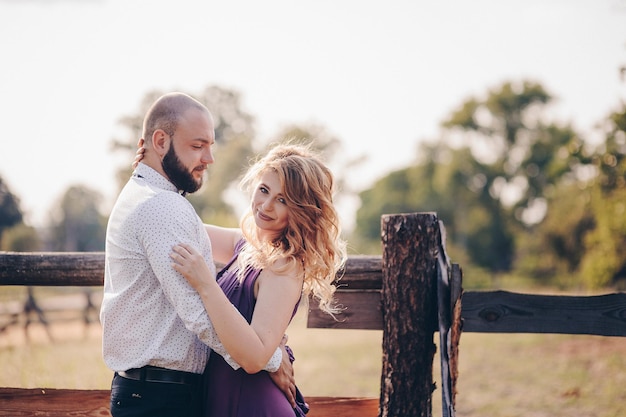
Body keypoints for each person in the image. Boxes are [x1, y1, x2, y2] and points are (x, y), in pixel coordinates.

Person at [100, 92, 291, 417]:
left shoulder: (147, 197)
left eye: (210, 145)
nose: (209, 157)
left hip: (153, 392)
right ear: (160, 141)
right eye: (197, 145)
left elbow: (236, 240)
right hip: (160, 398)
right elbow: (198, 314)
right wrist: (271, 359)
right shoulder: (161, 206)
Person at [169, 143, 347, 416]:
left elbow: (254, 358)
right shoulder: (245, 245)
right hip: (225, 396)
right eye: (264, 190)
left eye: (283, 200)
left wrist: (205, 284)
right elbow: (180, 226)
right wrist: (156, 173)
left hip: (255, 405)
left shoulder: (284, 265)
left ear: (302, 209)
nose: (266, 205)